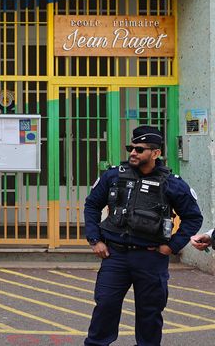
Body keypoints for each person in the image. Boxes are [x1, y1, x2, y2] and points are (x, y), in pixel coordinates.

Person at [84, 125, 203, 346]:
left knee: (150, 314)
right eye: (131, 147)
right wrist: (95, 239)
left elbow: (193, 217)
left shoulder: (172, 183)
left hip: (151, 259)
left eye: (140, 149)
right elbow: (91, 205)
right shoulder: (113, 176)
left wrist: (172, 246)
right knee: (105, 307)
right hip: (115, 256)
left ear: (155, 153)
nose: (133, 153)